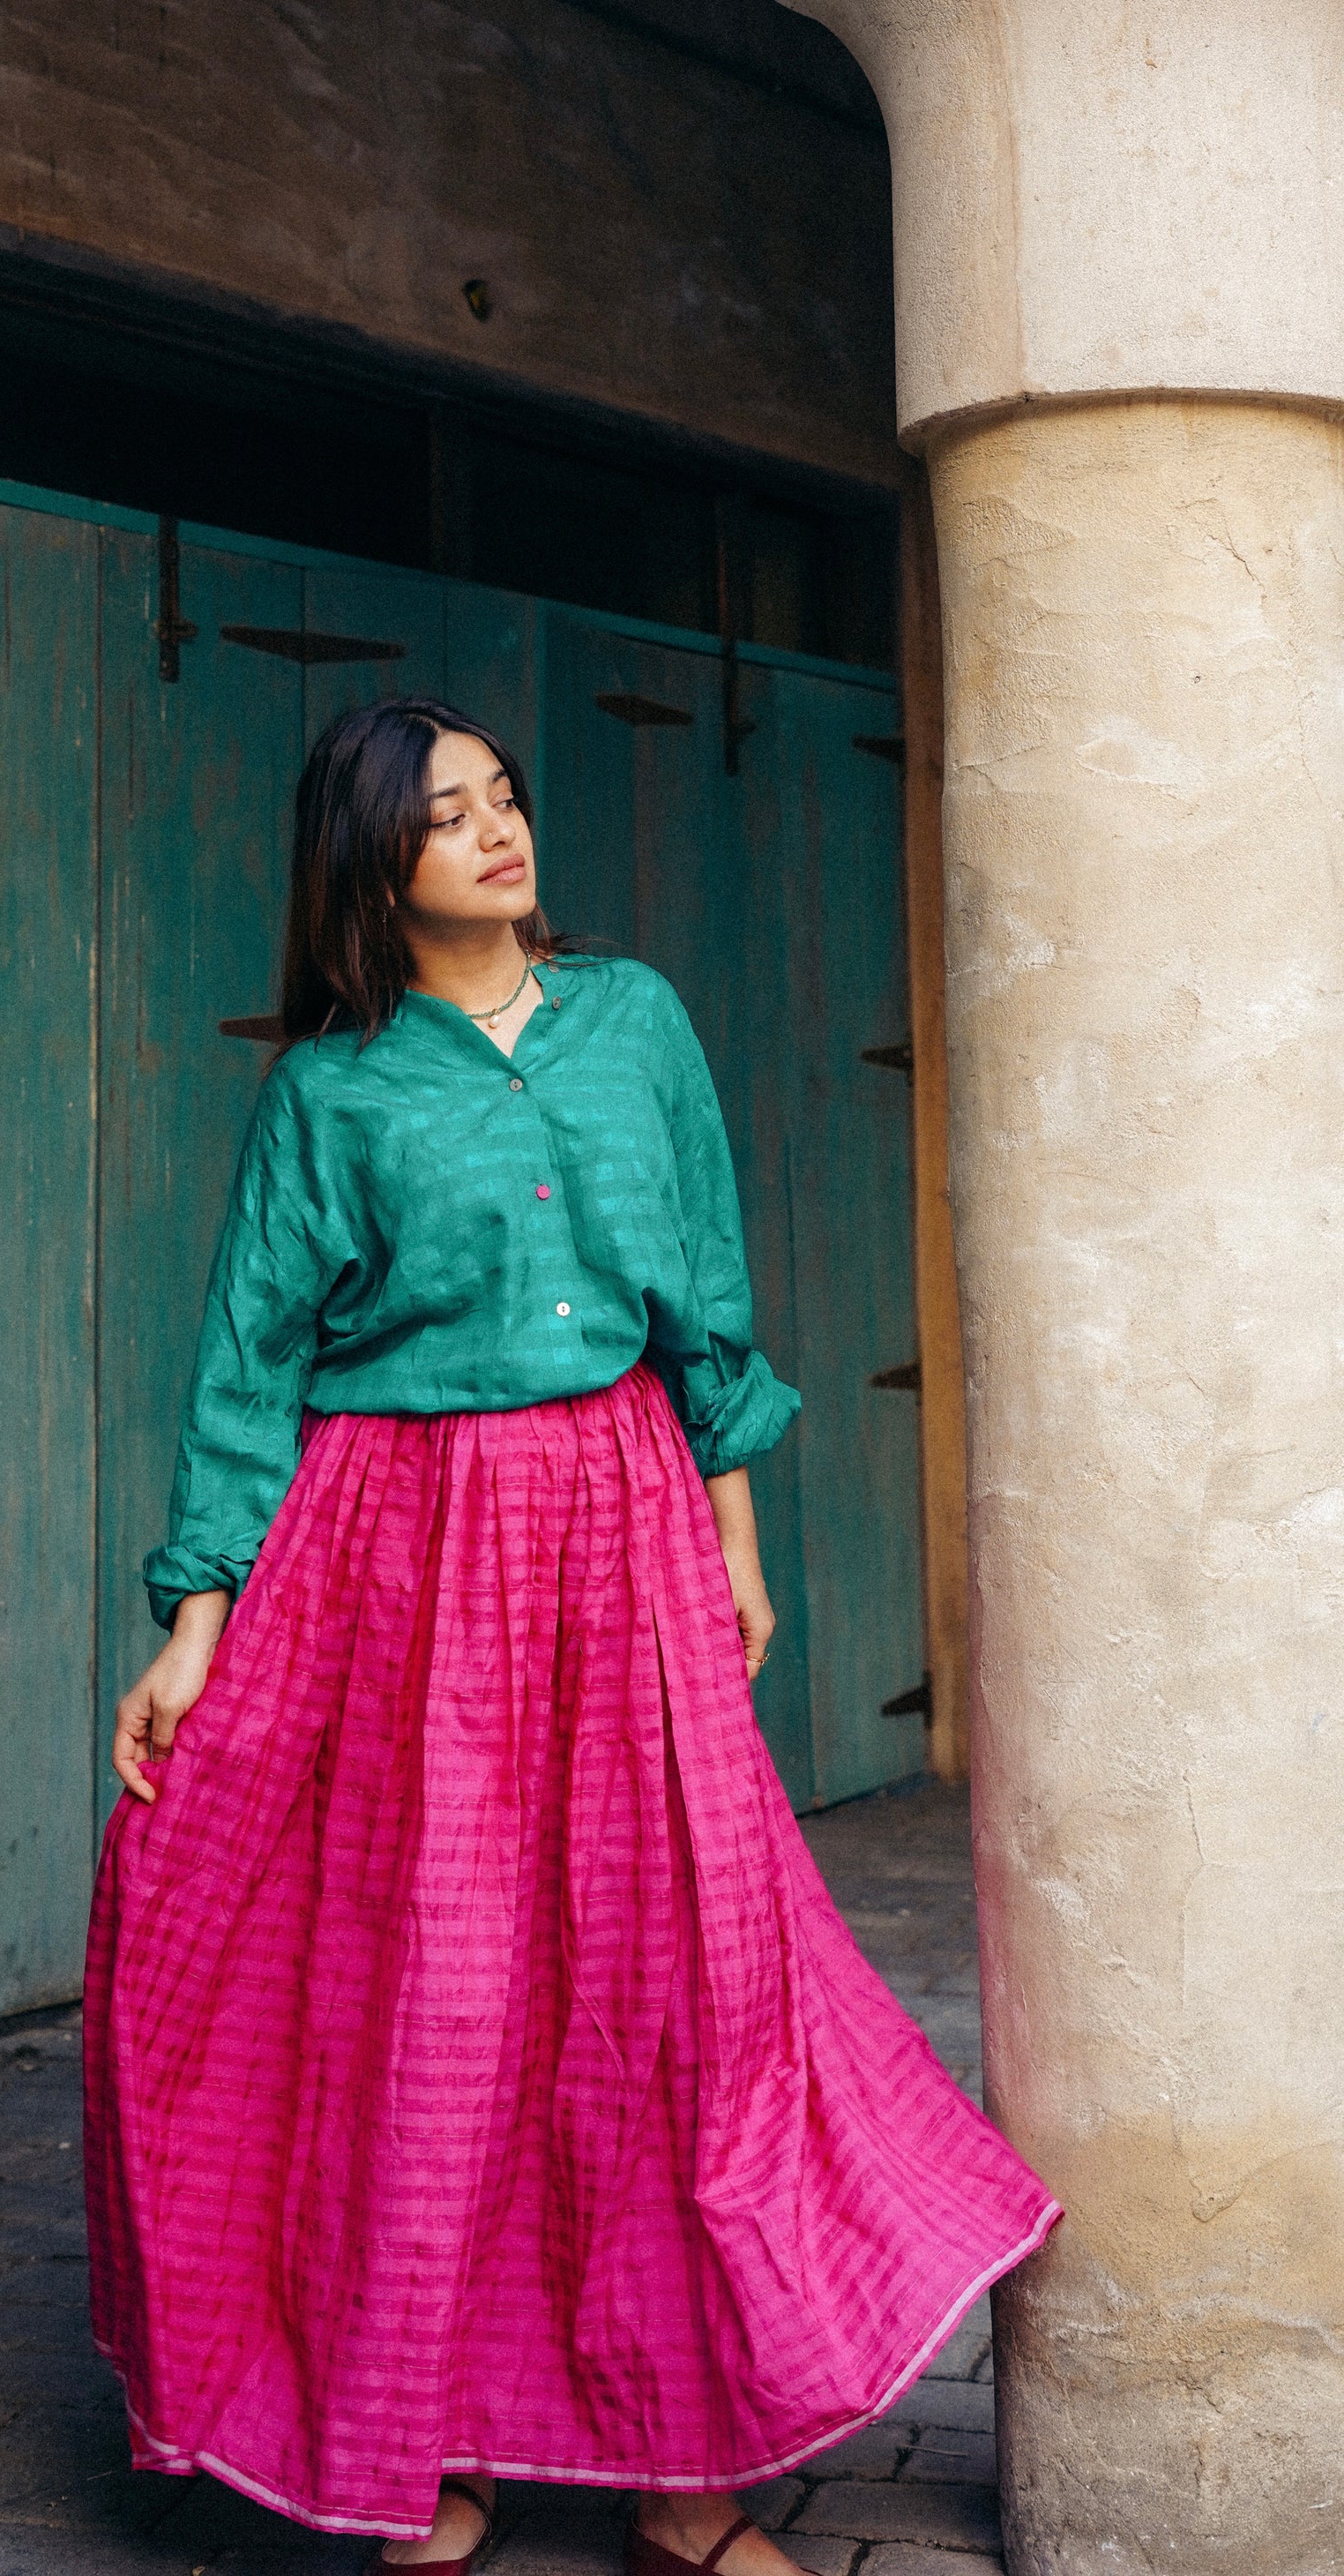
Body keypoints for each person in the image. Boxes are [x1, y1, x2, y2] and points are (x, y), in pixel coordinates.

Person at [83, 698, 1059, 2576]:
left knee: (673, 1975)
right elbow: (248, 1365)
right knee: (433, 1990)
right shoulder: (331, 1093)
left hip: (623, 1514)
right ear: (373, 863)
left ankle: (685, 2481)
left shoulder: (634, 1021)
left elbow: (702, 1288)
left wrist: (733, 1532)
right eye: (445, 813)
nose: (498, 829)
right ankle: (428, 2449)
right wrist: (195, 1622)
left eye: (505, 795)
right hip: (394, 1548)